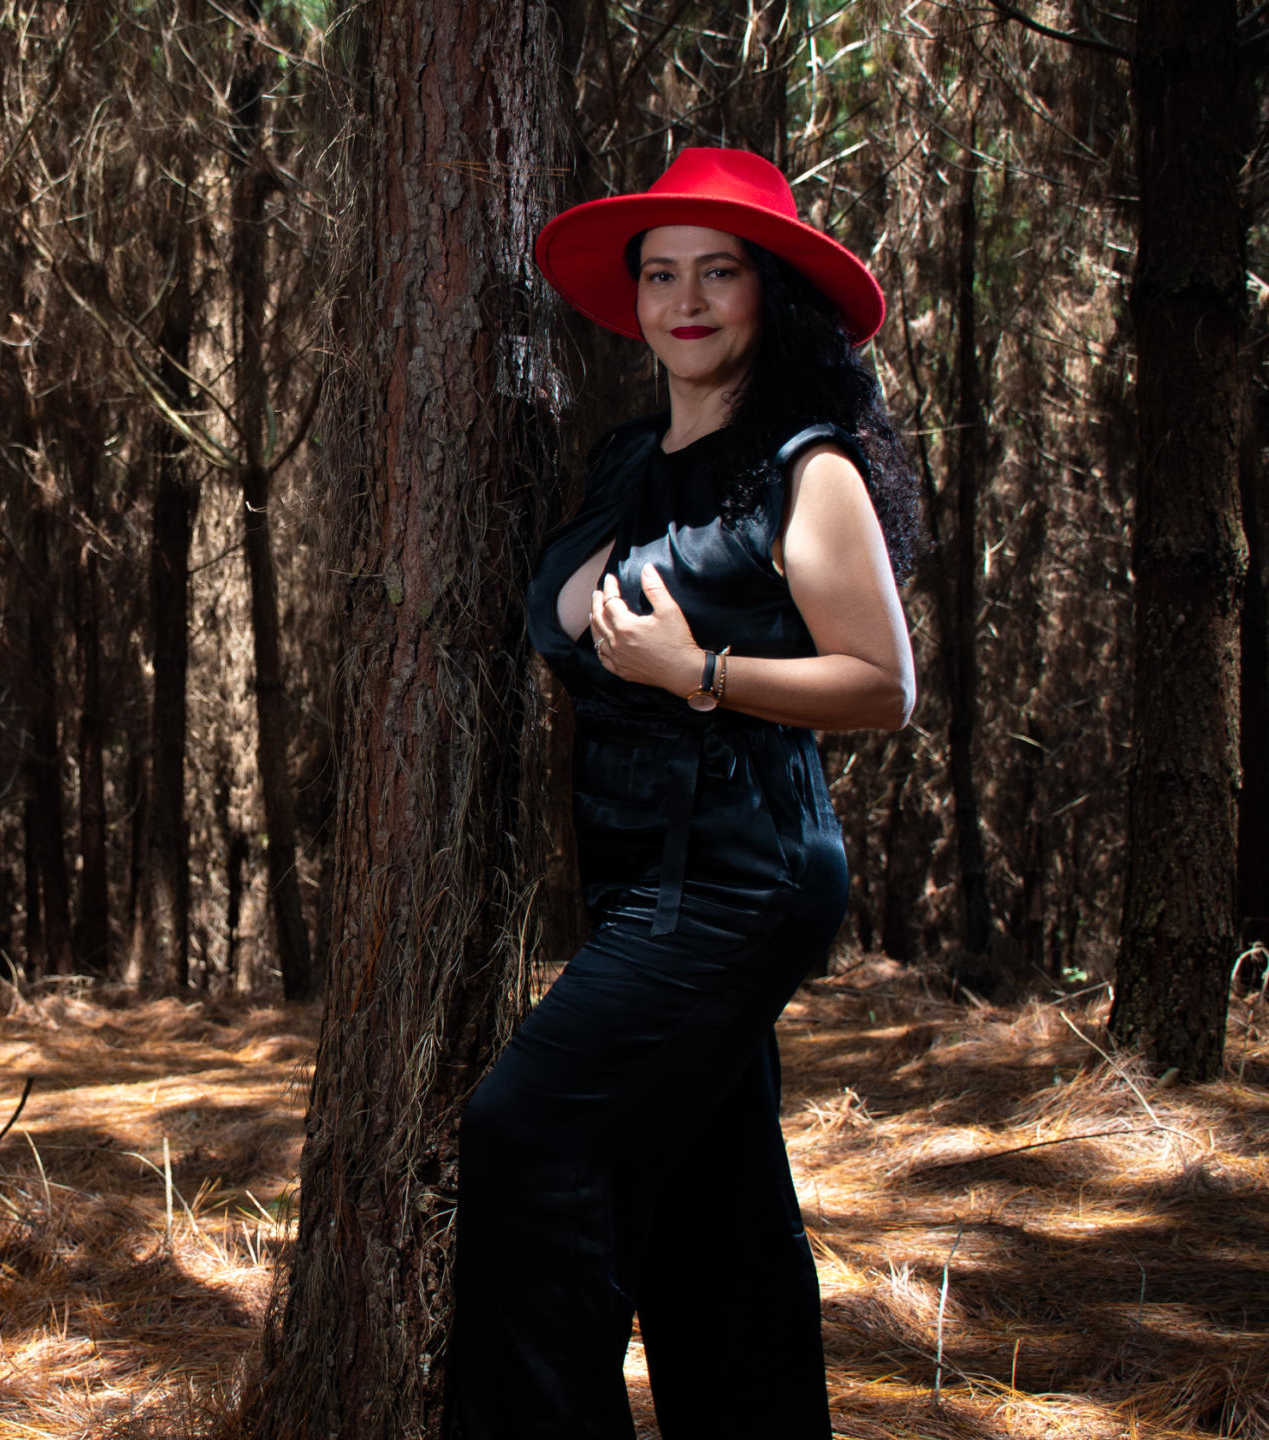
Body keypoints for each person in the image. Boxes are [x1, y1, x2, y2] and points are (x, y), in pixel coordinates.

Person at [449, 148, 920, 1438]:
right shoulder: (623, 464)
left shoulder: (805, 468)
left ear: (770, 293)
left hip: (740, 871)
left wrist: (701, 671)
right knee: (716, 1215)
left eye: (719, 272)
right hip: (631, 877)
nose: (687, 300)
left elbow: (884, 684)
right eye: (662, 275)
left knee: (523, 1139)